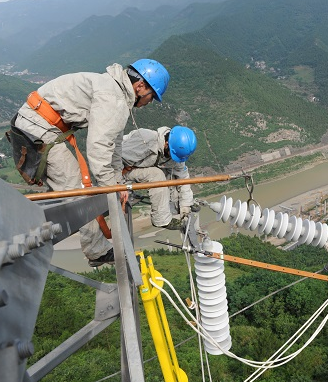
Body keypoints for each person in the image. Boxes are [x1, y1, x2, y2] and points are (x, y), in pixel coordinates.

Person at [10, 59, 170, 267]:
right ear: (140, 87)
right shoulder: (113, 98)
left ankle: (94, 234)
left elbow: (115, 144)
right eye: (151, 96)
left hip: (38, 124)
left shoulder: (116, 93)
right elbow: (99, 148)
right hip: (38, 128)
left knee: (83, 186)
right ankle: (97, 251)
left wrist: (116, 181)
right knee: (76, 189)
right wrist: (111, 188)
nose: (149, 102)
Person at [121, 126, 197, 230]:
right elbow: (115, 160)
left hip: (136, 167)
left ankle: (176, 208)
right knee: (157, 175)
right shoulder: (145, 140)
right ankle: (161, 220)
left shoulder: (175, 150)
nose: (174, 159)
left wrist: (186, 205)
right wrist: (120, 184)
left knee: (171, 177)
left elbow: (183, 177)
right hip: (120, 170)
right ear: (166, 144)